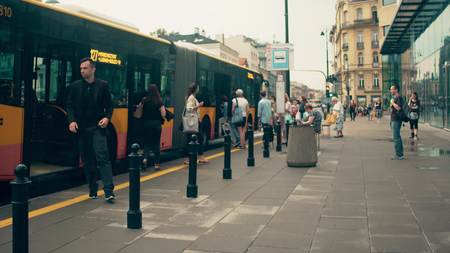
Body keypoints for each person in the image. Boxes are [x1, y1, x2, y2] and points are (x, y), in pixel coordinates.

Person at [66, 57, 115, 202]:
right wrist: (71, 121)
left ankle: (108, 191)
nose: (82, 71)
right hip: (82, 129)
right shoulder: (75, 86)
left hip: (97, 128)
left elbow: (110, 106)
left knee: (103, 158)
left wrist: (107, 118)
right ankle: (93, 189)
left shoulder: (103, 85)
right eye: (81, 69)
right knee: (87, 160)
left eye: (85, 68)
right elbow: (69, 106)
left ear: (93, 69)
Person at [140, 84, 166, 170]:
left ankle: (145, 159)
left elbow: (139, 111)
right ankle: (156, 164)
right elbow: (163, 114)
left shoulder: (144, 100)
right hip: (156, 125)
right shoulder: (159, 101)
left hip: (146, 124)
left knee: (146, 143)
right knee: (156, 144)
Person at [184, 83, 209, 164]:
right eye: (198, 88)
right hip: (193, 122)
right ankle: (201, 157)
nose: (198, 89)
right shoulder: (191, 98)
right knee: (200, 139)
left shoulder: (191, 97)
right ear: (195, 89)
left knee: (191, 139)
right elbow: (189, 109)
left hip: (193, 121)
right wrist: (199, 105)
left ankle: (189, 159)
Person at [390, 85, 404, 160]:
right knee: (395, 136)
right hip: (394, 119)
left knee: (396, 137)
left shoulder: (399, 97)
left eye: (392, 89)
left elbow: (398, 108)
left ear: (396, 90)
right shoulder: (395, 98)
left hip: (396, 119)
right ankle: (399, 154)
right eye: (390, 89)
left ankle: (399, 154)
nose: (390, 91)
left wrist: (392, 103)